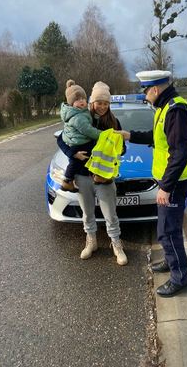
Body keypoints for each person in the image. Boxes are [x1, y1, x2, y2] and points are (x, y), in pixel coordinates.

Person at [117, 70, 187, 296]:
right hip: (172, 180)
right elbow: (157, 137)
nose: (144, 96)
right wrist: (129, 135)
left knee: (168, 231)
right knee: (165, 228)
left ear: (154, 89)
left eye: (145, 91)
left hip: (176, 182)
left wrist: (166, 187)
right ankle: (171, 263)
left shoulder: (176, 110)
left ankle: (180, 278)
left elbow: (180, 152)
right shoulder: (164, 108)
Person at [58, 81, 128, 266]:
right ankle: (91, 241)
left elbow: (123, 149)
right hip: (82, 175)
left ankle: (116, 244)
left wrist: (113, 150)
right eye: (99, 102)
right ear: (91, 102)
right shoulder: (80, 116)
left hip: (104, 177)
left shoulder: (113, 122)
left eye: (106, 103)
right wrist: (72, 153)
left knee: (110, 214)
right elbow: (61, 140)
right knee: (87, 213)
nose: (102, 106)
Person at [59, 79, 102, 192]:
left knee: (81, 159)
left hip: (77, 141)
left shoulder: (80, 112)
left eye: (83, 98)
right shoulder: (78, 117)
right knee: (77, 160)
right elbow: (88, 130)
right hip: (78, 143)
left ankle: (70, 180)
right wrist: (102, 135)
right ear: (71, 103)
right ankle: (67, 180)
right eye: (77, 100)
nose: (82, 101)